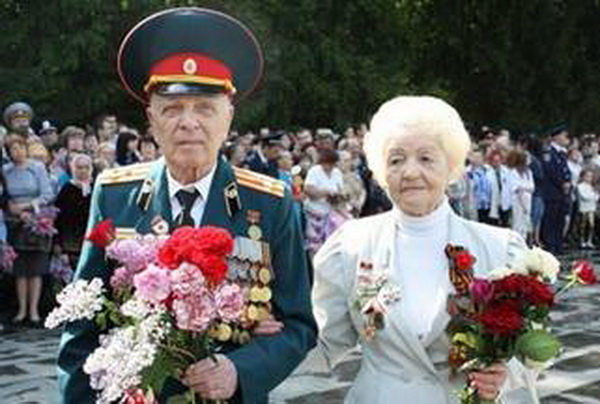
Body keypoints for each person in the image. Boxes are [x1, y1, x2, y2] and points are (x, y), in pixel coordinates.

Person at [57, 8, 316, 403]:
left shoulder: (270, 202)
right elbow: (83, 325)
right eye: (172, 108)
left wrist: (241, 370)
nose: (188, 122)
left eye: (205, 108)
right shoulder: (114, 194)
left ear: (228, 119)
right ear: (152, 120)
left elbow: (298, 324)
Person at [312, 96, 537, 403]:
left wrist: (504, 374)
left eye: (426, 158)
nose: (409, 172)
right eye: (396, 160)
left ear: (451, 165)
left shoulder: (500, 248)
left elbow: (529, 351)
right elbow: (323, 342)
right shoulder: (350, 245)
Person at [3, 135, 54, 326]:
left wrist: (28, 207)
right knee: (20, 269)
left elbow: (47, 194)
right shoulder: (6, 170)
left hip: (37, 220)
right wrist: (11, 208)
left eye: (20, 147)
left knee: (35, 268)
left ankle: (34, 311)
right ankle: (21, 310)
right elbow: (4, 195)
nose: (18, 152)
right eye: (13, 149)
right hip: (13, 222)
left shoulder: (37, 167)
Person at [303, 148, 345, 256]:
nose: (330, 167)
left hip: (330, 212)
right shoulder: (314, 171)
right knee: (314, 244)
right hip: (314, 212)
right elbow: (308, 190)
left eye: (332, 164)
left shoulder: (337, 172)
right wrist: (325, 192)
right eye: (327, 164)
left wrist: (338, 196)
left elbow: (340, 190)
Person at [54, 154, 93, 268]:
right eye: (79, 167)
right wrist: (58, 243)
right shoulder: (67, 189)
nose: (83, 171)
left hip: (90, 240)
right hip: (70, 243)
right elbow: (59, 217)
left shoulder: (95, 187)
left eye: (86, 167)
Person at [540, 123, 571, 254]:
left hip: (562, 193)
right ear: (556, 137)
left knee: (560, 219)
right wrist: (562, 183)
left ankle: (558, 244)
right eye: (563, 135)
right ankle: (551, 244)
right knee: (551, 219)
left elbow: (565, 170)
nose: (566, 138)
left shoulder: (562, 153)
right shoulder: (548, 152)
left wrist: (568, 181)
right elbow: (550, 171)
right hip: (552, 192)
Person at [506, 150, 534, 241]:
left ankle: (524, 241)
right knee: (518, 223)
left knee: (526, 223)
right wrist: (524, 189)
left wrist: (523, 188)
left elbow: (532, 187)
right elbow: (515, 188)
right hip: (517, 202)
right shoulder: (513, 173)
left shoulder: (529, 173)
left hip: (528, 200)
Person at [576, 169, 598, 248]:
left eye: (591, 177)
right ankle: (582, 241)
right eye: (587, 176)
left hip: (591, 208)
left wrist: (593, 195)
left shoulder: (591, 187)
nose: (589, 178)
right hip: (583, 209)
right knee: (583, 225)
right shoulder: (580, 186)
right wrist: (593, 195)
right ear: (583, 177)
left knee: (591, 225)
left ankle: (589, 241)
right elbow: (584, 197)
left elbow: (596, 197)